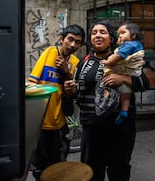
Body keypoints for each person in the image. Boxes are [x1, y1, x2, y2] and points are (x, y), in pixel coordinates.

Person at [63, 20, 149, 181]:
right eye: (94, 33)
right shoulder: (84, 62)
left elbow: (145, 83)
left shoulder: (125, 58)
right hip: (92, 128)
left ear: (111, 37)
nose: (98, 36)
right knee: (92, 171)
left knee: (119, 170)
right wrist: (71, 91)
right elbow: (77, 94)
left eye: (103, 32)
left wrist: (122, 78)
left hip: (119, 128)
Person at [28, 24, 86, 179]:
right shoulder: (50, 52)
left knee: (58, 164)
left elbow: (72, 94)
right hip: (41, 120)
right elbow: (32, 82)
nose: (73, 45)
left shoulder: (75, 63)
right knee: (39, 166)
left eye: (78, 42)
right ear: (62, 39)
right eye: (70, 39)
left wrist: (66, 71)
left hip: (59, 121)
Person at [101, 21, 145, 125]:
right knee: (126, 95)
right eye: (118, 34)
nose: (120, 36)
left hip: (128, 70)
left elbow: (119, 57)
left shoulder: (128, 45)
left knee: (123, 94)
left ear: (133, 35)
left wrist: (108, 62)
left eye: (123, 33)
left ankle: (120, 110)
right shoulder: (134, 45)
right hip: (129, 78)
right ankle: (124, 111)